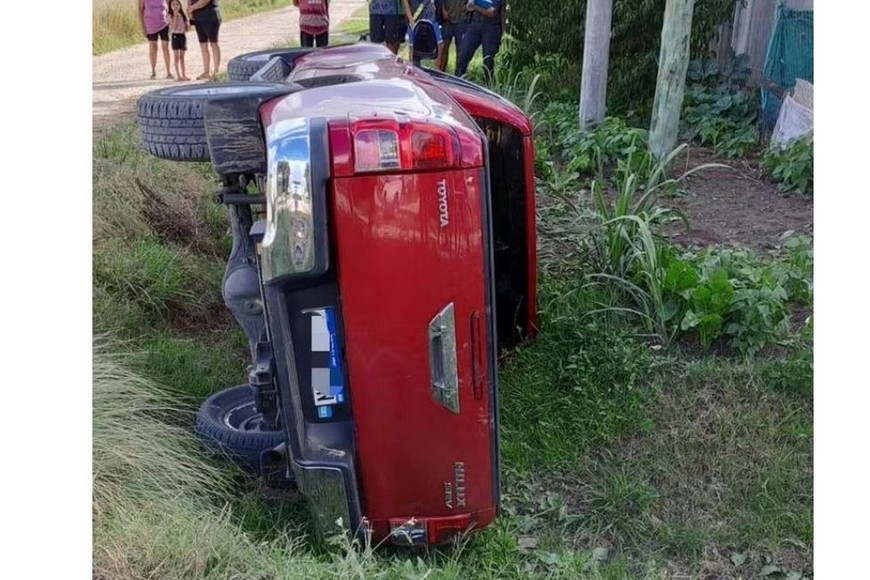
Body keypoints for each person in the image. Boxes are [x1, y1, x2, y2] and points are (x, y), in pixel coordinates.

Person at [454, 0, 502, 82]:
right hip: (474, 24)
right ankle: (457, 82)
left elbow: (491, 13)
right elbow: (466, 6)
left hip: (491, 27)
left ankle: (489, 86)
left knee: (488, 61)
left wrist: (475, 7)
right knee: (463, 56)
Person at [188, 0, 222, 80]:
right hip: (198, 17)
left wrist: (192, 8)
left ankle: (216, 71)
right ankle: (206, 72)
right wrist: (189, 12)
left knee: (213, 43)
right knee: (203, 45)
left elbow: (204, 1)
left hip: (210, 15)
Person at [139, 0, 173, 79]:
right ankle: (153, 71)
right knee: (153, 47)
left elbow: (170, 6)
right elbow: (140, 11)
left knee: (165, 47)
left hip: (164, 24)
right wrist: (143, 27)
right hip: (150, 24)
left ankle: (168, 72)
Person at [402, 0, 443, 67]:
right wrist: (411, 21)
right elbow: (405, 2)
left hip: (431, 18)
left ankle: (436, 72)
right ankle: (413, 69)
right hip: (415, 19)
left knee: (440, 46)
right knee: (413, 48)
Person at [436, 0, 467, 73]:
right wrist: (443, 10)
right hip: (447, 19)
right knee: (443, 48)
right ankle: (440, 72)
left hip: (461, 19)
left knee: (461, 50)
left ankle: (459, 74)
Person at [169, 0, 191, 81]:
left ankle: (184, 75)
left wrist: (187, 24)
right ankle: (178, 75)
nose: (175, 6)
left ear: (180, 5)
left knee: (182, 57)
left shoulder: (182, 15)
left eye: (177, 4)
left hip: (182, 36)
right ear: (170, 7)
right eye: (173, 5)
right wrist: (175, 16)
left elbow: (187, 28)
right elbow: (174, 27)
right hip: (175, 36)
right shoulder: (170, 15)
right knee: (176, 56)